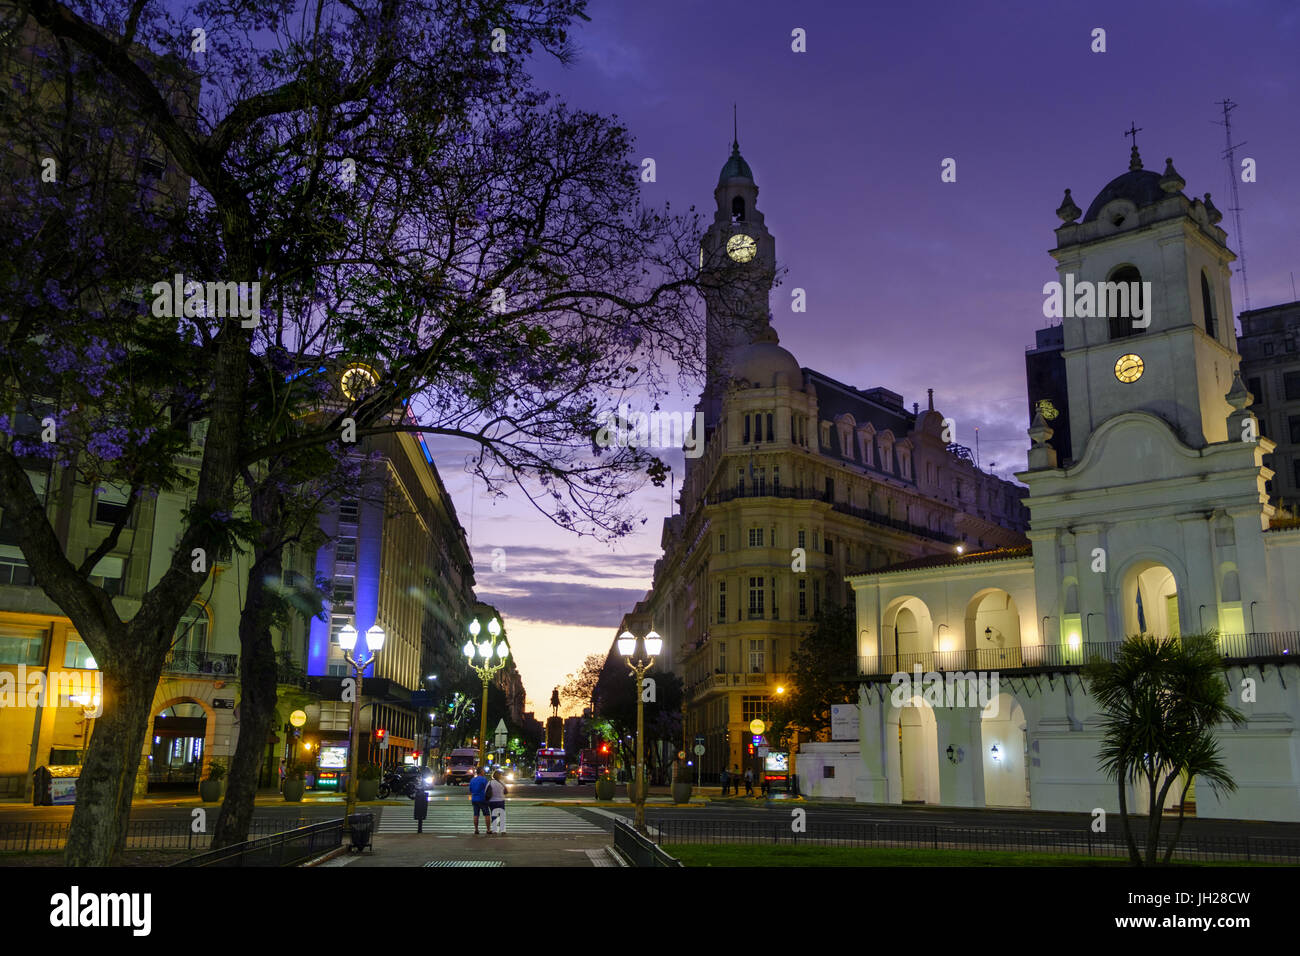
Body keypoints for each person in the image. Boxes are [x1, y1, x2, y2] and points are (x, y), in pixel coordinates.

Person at [468, 767, 490, 835]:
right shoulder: (484, 779)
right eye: (483, 771)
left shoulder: (472, 780)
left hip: (474, 799)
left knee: (476, 814)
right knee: (487, 814)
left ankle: (476, 830)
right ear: (481, 772)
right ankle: (488, 830)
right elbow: (487, 789)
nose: (484, 772)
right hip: (482, 799)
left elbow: (470, 790)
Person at [485, 770, 507, 835]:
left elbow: (486, 791)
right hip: (501, 801)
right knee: (502, 815)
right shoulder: (502, 783)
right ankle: (503, 830)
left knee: (494, 815)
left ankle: (495, 830)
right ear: (500, 776)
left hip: (492, 801)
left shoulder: (490, 782)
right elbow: (506, 791)